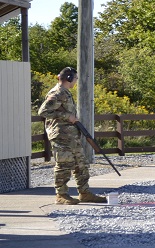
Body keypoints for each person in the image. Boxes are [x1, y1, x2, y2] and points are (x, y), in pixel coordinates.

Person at [37, 67, 107, 205]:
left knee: (81, 164)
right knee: (64, 164)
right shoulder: (57, 93)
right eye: (75, 78)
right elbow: (43, 111)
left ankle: (85, 193)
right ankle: (61, 195)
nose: (76, 81)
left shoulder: (65, 93)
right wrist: (66, 116)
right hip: (60, 135)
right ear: (69, 78)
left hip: (71, 136)